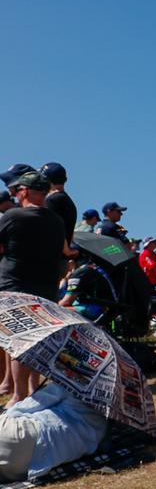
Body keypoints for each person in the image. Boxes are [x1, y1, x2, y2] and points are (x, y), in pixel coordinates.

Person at [0, 171, 68, 407]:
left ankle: (18, 397)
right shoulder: (56, 220)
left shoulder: (12, 215)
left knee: (17, 341)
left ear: (25, 191)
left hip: (14, 286)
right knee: (35, 341)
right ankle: (32, 392)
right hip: (46, 288)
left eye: (18, 191)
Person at [0, 382, 108, 481]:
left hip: (21, 434)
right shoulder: (101, 427)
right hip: (30, 465)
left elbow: (22, 408)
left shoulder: (72, 384)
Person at [38, 162, 77, 247]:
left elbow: (48, 228)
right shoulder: (64, 198)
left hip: (52, 253)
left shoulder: (53, 200)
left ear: (46, 180)